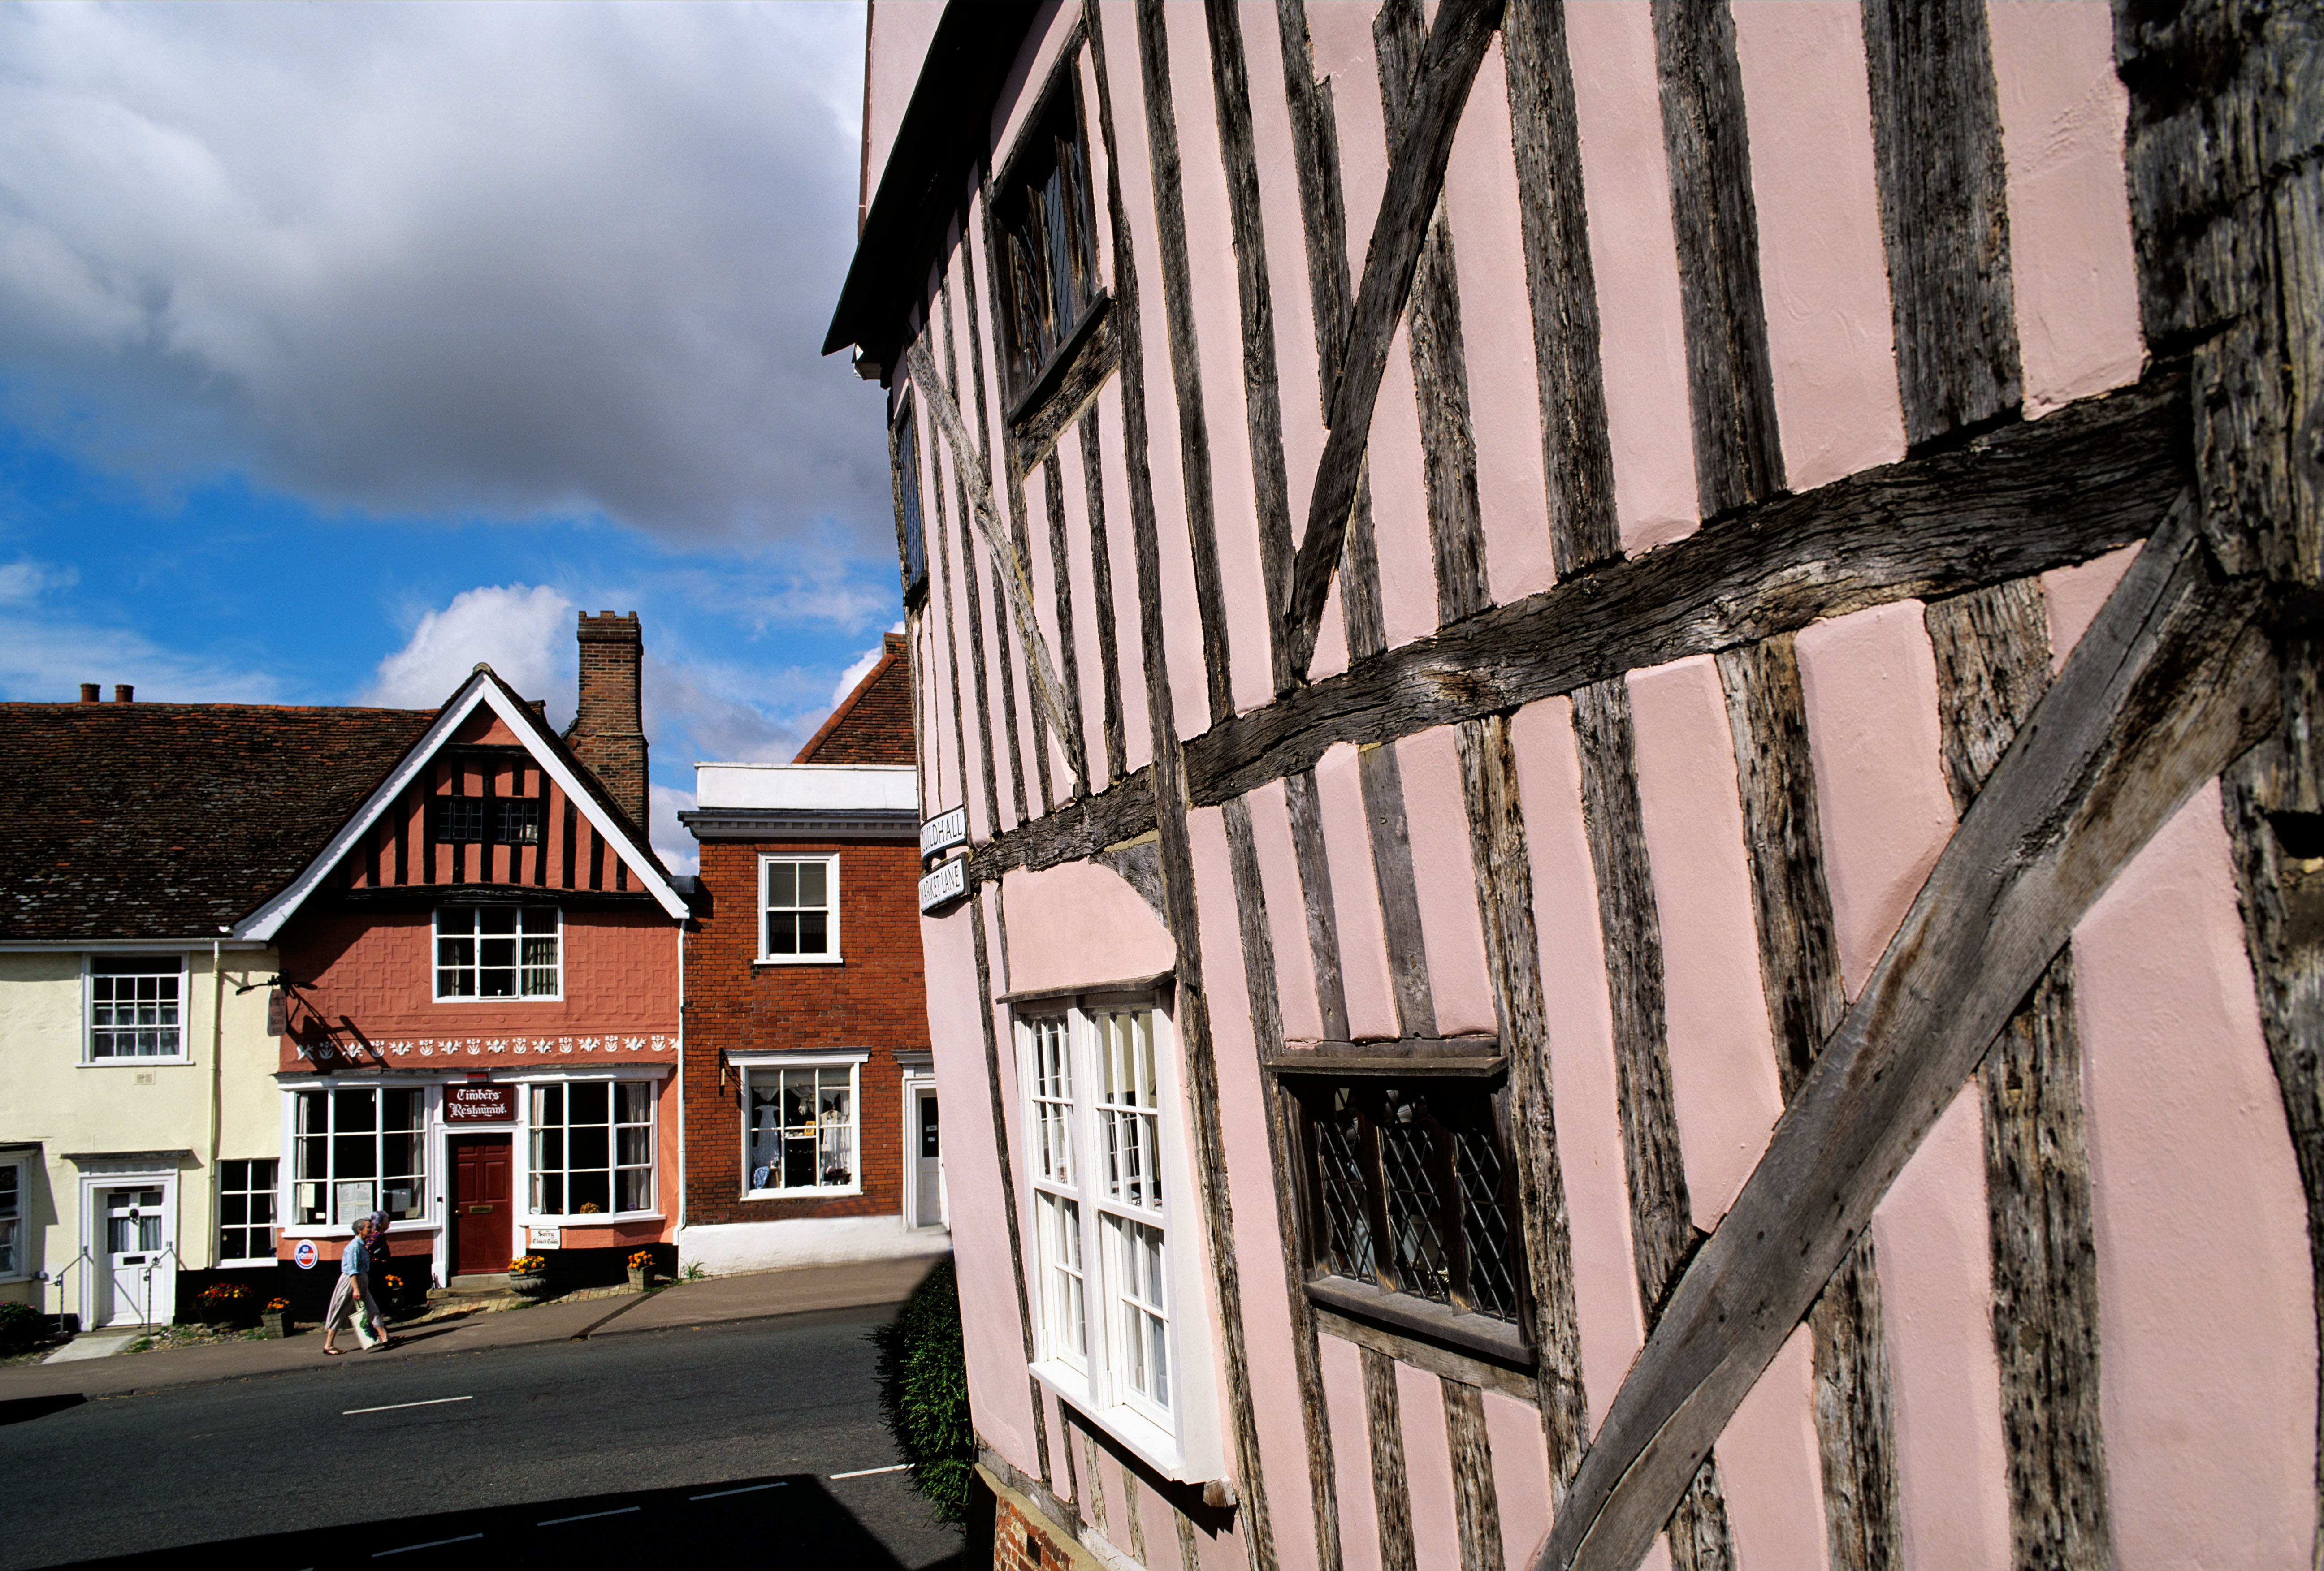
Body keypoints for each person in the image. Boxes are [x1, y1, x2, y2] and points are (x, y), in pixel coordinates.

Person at [321, 1217, 389, 1355]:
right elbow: (352, 1269)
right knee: (340, 1311)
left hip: (362, 1280)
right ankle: (328, 1345)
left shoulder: (362, 1244)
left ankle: (385, 1338)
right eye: (368, 1228)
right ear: (359, 1230)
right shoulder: (353, 1247)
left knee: (372, 1309)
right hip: (351, 1282)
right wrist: (356, 1289)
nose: (371, 1230)